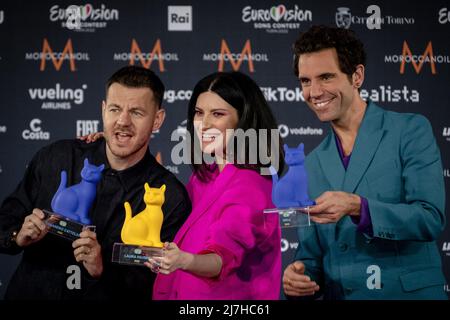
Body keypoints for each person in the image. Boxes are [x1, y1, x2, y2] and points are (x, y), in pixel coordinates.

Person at [283, 25, 447, 300]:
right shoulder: (311, 165)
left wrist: (359, 207)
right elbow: (312, 258)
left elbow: (429, 218)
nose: (314, 92)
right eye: (305, 81)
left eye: (325, 77)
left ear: (356, 76)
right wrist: (299, 277)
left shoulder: (409, 130)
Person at [0, 65, 191, 300]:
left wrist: (100, 270)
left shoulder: (169, 196)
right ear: (103, 110)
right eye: (115, 109)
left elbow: (158, 284)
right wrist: (18, 235)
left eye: (137, 112)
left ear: (157, 120)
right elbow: (5, 222)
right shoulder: (56, 157)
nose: (122, 121)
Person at [149, 71, 284, 300]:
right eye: (199, 113)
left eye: (218, 114)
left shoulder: (250, 185)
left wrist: (183, 260)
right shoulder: (205, 177)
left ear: (243, 119)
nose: (204, 124)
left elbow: (220, 259)